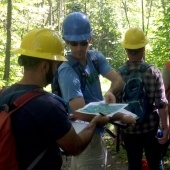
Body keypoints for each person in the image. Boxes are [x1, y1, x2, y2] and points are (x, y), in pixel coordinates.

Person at [0, 28, 136, 170]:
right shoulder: (48, 106)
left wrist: (62, 120)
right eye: (55, 64)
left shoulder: (4, 94)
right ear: (45, 66)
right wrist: (96, 122)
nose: (57, 69)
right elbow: (75, 146)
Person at [52, 12, 135, 170]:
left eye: (83, 43)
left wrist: (110, 91)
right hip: (83, 133)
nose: (79, 48)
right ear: (66, 41)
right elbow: (79, 113)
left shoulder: (95, 58)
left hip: (94, 131)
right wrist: (118, 116)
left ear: (90, 39)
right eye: (73, 43)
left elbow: (118, 80)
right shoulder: (67, 71)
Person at [117, 27, 169, 170]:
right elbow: (161, 104)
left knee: (134, 164)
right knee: (155, 162)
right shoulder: (153, 71)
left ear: (126, 49)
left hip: (129, 129)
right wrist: (166, 127)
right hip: (150, 128)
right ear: (143, 48)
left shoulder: (119, 74)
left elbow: (115, 106)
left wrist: (118, 132)